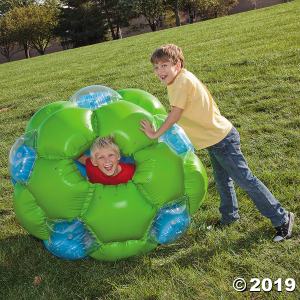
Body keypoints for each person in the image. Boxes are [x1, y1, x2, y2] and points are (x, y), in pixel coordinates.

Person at [139, 44, 294, 242]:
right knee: (222, 181)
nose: (160, 71)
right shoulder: (180, 79)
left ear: (178, 64)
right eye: (156, 67)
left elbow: (175, 115)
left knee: (245, 180)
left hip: (221, 140)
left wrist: (155, 134)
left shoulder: (181, 82)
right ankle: (230, 217)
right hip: (216, 140)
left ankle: (282, 218)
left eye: (164, 65)